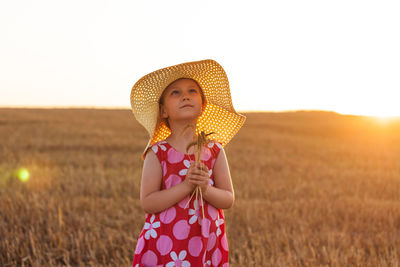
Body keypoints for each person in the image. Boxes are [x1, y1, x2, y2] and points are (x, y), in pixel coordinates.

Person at [130, 59, 246, 267]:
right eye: (175, 92)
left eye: (192, 91)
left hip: (205, 242)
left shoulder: (214, 150)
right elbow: (148, 202)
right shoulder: (158, 153)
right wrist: (186, 186)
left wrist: (205, 189)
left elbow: (228, 199)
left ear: (202, 105)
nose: (185, 95)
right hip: (166, 243)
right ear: (163, 111)